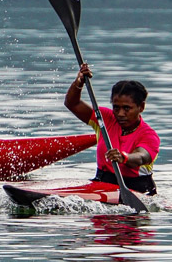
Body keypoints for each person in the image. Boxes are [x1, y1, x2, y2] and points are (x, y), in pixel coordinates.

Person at [64, 63, 160, 195]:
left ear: (141, 107)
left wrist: (124, 157)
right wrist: (79, 82)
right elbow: (72, 104)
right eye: (116, 107)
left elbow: (142, 157)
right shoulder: (105, 118)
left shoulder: (149, 135)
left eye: (127, 108)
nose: (120, 114)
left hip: (138, 189)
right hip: (103, 182)